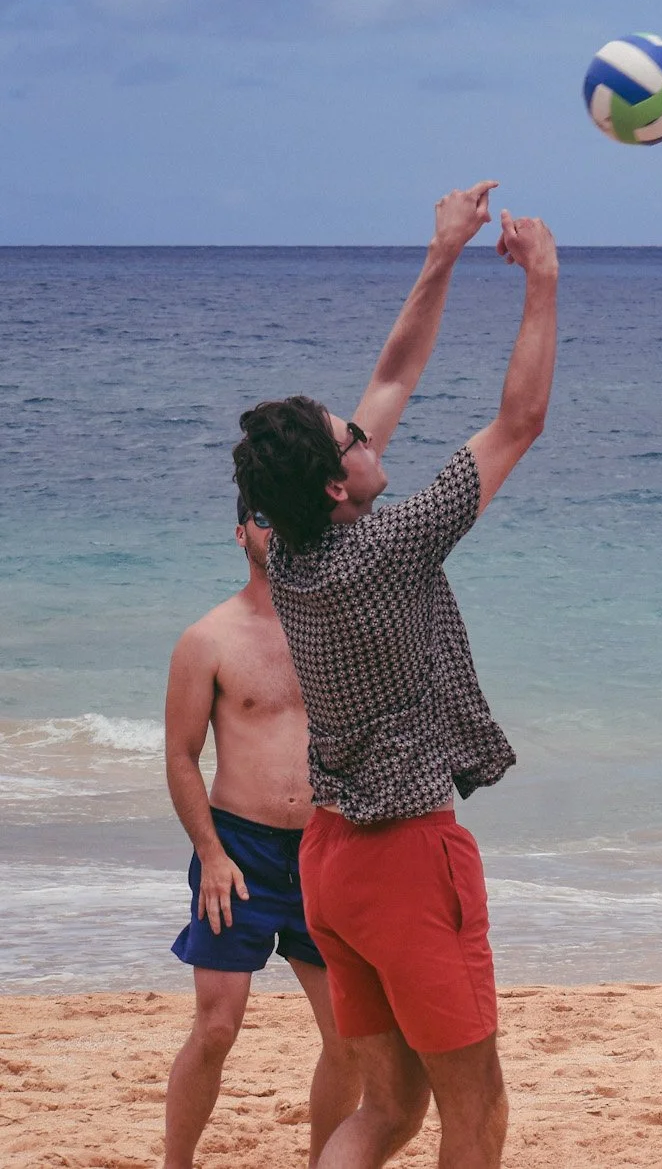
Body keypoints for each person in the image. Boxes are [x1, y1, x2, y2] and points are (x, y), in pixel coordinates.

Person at [231, 181, 558, 1169]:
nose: (371, 436)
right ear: (340, 486)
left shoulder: (287, 552)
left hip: (328, 865)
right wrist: (542, 278)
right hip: (408, 860)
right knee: (476, 1114)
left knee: (386, 1109)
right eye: (354, 441)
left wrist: (442, 253)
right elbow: (520, 421)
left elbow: (391, 377)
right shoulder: (395, 545)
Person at [161, 493, 363, 1169]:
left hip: (323, 847)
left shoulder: (336, 628)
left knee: (348, 1038)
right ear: (240, 529)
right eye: (264, 518)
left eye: (287, 515)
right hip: (238, 848)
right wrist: (210, 855)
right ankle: (176, 1163)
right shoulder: (207, 638)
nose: (276, 531)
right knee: (217, 1028)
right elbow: (181, 756)